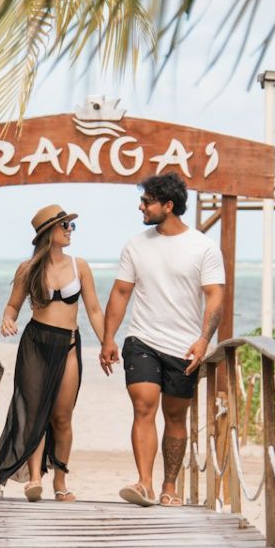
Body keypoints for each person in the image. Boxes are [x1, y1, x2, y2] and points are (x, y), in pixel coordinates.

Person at [99, 172, 226, 507]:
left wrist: (203, 339)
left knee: (174, 416)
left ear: (168, 206)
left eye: (147, 201)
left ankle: (170, 485)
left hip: (184, 346)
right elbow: (121, 292)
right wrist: (108, 338)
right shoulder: (135, 245)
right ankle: (144, 483)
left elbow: (214, 297)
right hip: (142, 339)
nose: (141, 207)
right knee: (143, 405)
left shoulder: (203, 248)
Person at [0, 201, 107, 500]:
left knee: (62, 416)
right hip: (36, 343)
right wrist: (7, 320)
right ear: (48, 233)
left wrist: (107, 342)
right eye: (65, 226)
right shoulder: (27, 269)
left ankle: (60, 483)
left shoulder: (80, 266)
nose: (70, 231)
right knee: (34, 412)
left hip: (68, 343)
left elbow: (93, 309)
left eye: (71, 225)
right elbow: (13, 306)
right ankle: (34, 480)